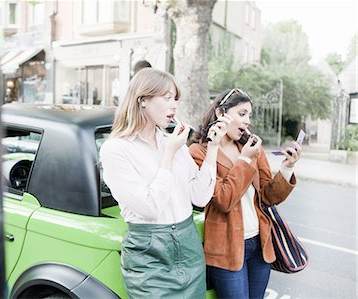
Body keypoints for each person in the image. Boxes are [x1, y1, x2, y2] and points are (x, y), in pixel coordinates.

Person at [100, 68, 230, 298]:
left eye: (175, 99)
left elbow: (199, 197)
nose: (174, 105)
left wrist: (213, 148)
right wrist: (169, 154)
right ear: (143, 100)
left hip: (188, 245)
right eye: (167, 97)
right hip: (149, 253)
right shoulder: (117, 149)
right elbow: (150, 208)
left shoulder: (171, 142)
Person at [188, 88, 302, 299]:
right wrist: (245, 160)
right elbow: (222, 200)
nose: (248, 121)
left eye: (249, 115)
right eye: (242, 114)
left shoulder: (250, 146)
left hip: (260, 243)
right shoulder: (200, 152)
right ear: (221, 114)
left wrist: (287, 167)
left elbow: (268, 196)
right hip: (226, 248)